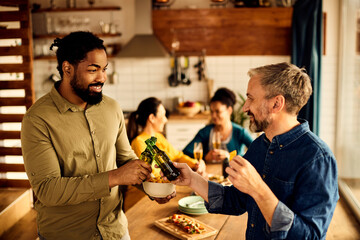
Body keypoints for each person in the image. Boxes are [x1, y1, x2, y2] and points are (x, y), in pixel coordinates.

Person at [21, 31, 165, 240]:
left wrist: (151, 185)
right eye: (93, 70)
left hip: (115, 231)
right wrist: (115, 177)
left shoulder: (112, 108)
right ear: (67, 68)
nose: (102, 78)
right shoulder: (37, 120)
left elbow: (126, 159)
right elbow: (48, 190)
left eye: (104, 69)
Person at [170, 62, 339, 239]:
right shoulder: (260, 145)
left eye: (251, 98)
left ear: (276, 103)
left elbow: (311, 235)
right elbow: (235, 200)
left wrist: (258, 189)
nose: (245, 107)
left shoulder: (318, 159)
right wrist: (192, 179)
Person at [127, 97, 206, 176]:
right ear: (152, 118)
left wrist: (196, 164)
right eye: (163, 115)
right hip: (149, 188)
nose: (166, 120)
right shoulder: (139, 142)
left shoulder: (159, 137)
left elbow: (178, 157)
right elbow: (154, 173)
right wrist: (179, 170)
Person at [183, 87, 253, 163]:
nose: (213, 115)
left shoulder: (240, 132)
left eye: (217, 111)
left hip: (235, 173)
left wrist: (230, 157)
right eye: (212, 111)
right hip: (210, 173)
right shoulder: (205, 132)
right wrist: (205, 156)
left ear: (229, 110)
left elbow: (258, 153)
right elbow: (186, 152)